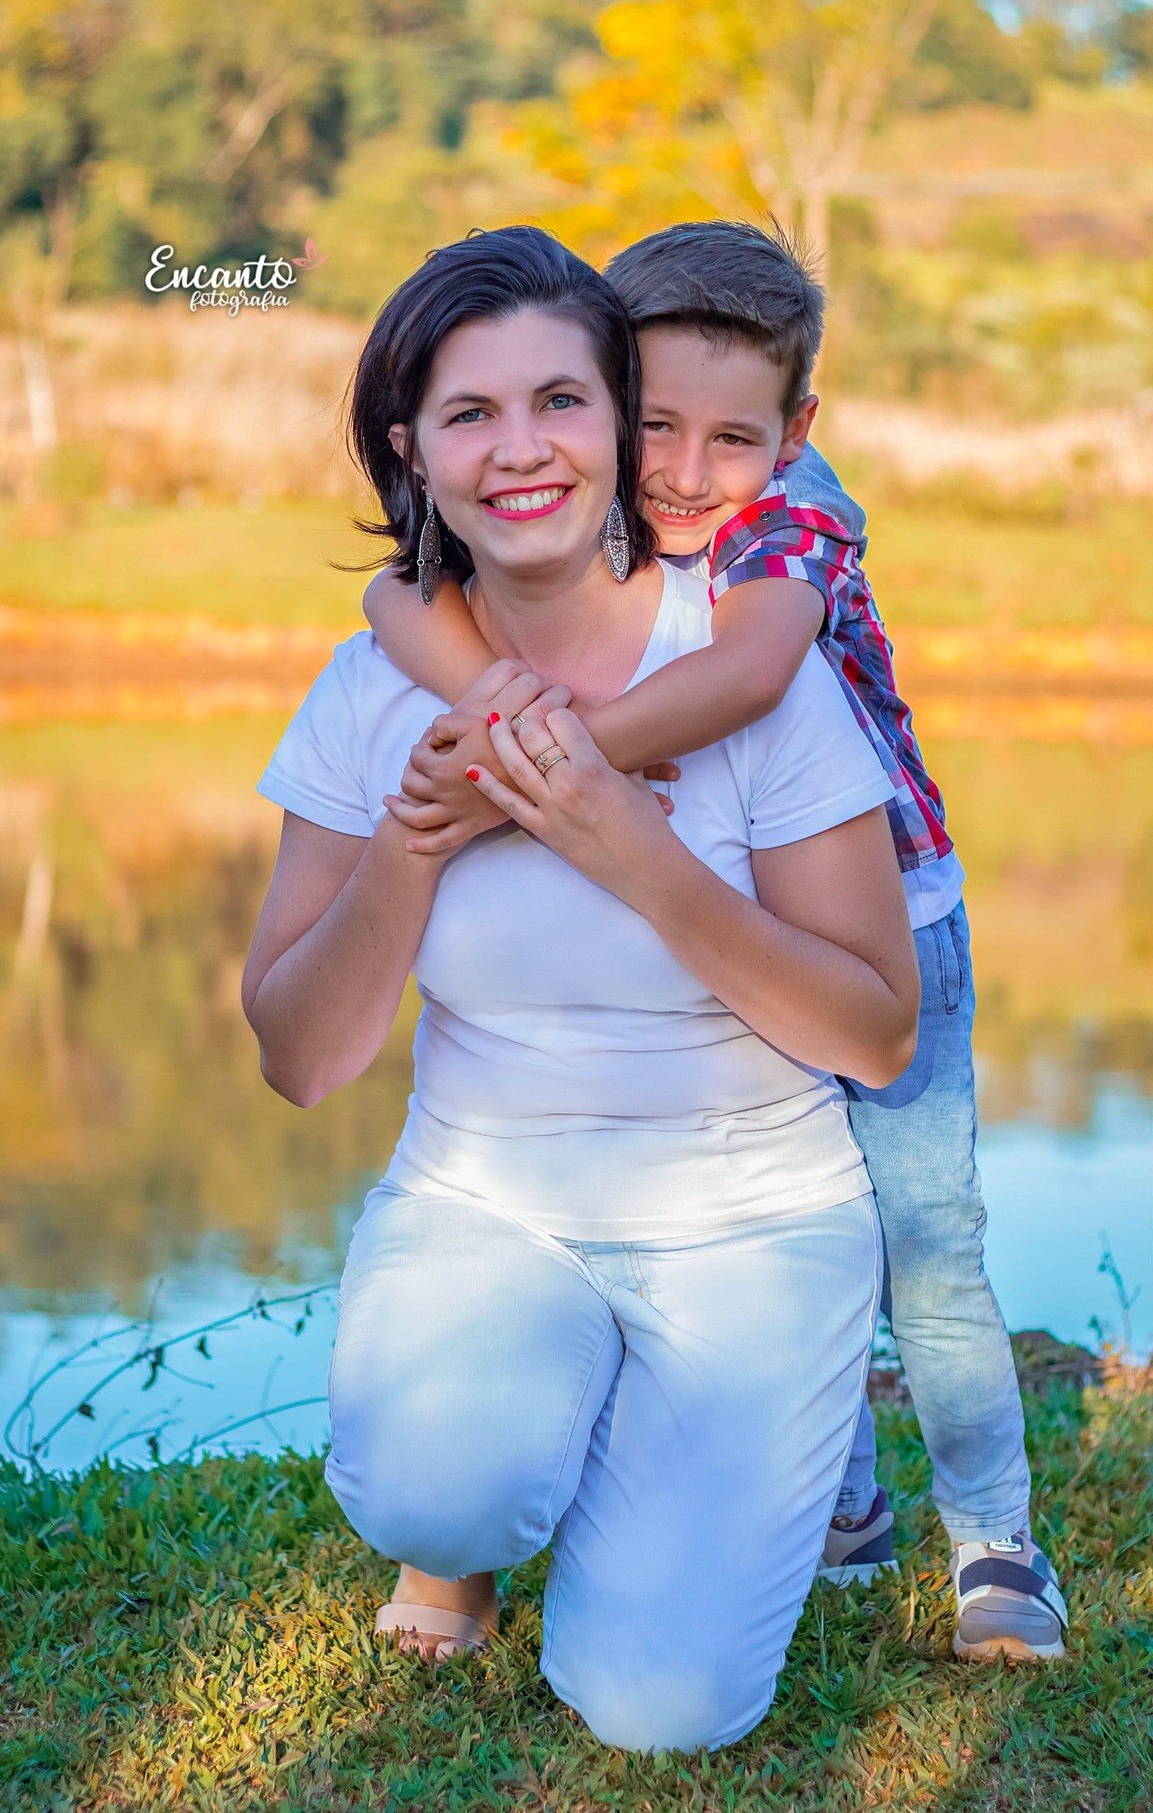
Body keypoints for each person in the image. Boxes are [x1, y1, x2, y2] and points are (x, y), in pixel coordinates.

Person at [243, 225, 920, 1753]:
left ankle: (647, 1445)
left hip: (756, 1223)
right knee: (436, 1476)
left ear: (621, 419)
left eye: (561, 400)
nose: (521, 449)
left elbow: (880, 1035)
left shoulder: (749, 666)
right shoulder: (370, 689)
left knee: (664, 1709)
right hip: (486, 1196)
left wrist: (634, 853)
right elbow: (299, 1056)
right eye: (470, 413)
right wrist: (415, 841)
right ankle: (465, 1524)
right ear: (411, 449)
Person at [364, 220, 1069, 1664]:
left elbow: (749, 675)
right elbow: (395, 596)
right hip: (738, 920)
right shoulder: (590, 509)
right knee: (801, 1210)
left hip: (888, 922)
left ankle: (996, 1536)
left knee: (925, 1245)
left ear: (793, 431)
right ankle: (841, 1503)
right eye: (657, 426)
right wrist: (515, 722)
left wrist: (530, 777)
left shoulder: (793, 515)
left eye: (732, 437)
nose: (687, 471)